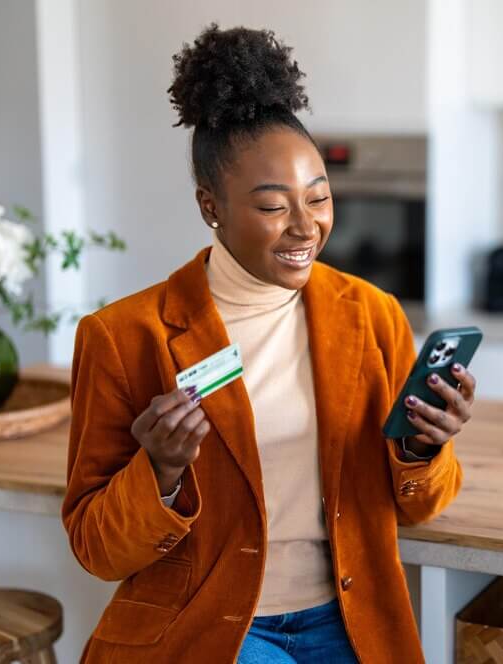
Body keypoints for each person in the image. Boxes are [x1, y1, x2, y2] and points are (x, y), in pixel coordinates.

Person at [62, 24, 474, 664]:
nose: (306, 227)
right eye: (273, 207)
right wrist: (161, 474)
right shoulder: (124, 337)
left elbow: (417, 508)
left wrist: (424, 447)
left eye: (319, 197)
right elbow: (95, 546)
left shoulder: (371, 316)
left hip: (350, 619)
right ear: (210, 205)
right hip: (212, 627)